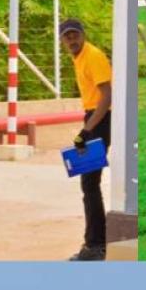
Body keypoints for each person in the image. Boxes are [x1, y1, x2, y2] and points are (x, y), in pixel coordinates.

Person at [59, 18, 111, 261]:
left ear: (83, 34)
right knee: (89, 184)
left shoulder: (93, 56)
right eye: (67, 36)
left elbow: (107, 96)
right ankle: (97, 242)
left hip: (101, 119)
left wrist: (87, 131)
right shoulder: (79, 57)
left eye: (75, 34)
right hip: (94, 118)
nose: (72, 39)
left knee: (90, 183)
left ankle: (96, 245)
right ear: (62, 40)